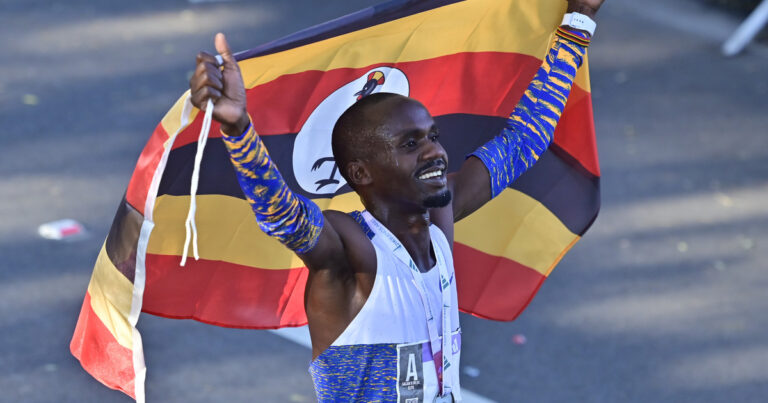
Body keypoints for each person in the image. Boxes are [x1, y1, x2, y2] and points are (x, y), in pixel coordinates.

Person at [188, 0, 603, 401]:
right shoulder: (353, 254)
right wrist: (239, 129)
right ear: (361, 173)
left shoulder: (439, 217)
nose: (435, 152)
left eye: (433, 137)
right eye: (410, 144)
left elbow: (524, 138)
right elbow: (284, 216)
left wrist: (579, 20)